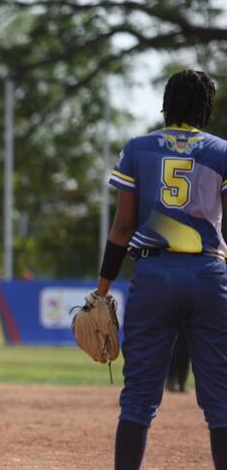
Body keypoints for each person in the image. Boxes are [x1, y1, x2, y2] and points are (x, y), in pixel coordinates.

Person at [95, 69, 227, 469]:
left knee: (138, 398)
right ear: (206, 106)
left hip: (153, 277)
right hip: (208, 275)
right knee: (221, 400)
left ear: (167, 103)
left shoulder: (138, 148)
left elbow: (122, 227)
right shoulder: (222, 151)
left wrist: (102, 290)